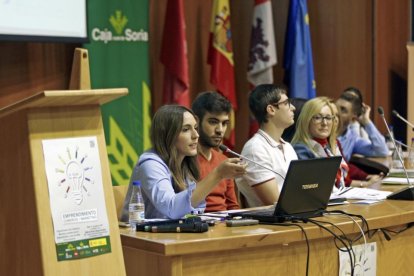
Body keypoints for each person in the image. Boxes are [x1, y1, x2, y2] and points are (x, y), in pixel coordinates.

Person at [121, 105, 246, 220]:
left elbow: (195, 209)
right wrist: (218, 174)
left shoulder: (184, 163)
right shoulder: (150, 164)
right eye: (186, 129)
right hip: (142, 239)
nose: (196, 135)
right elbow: (172, 208)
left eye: (195, 128)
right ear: (167, 134)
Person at [292, 97, 381, 188]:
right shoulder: (301, 149)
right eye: (318, 117)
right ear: (306, 121)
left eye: (328, 117)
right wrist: (362, 184)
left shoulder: (327, 147)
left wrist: (365, 181)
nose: (325, 123)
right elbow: (311, 187)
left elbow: (340, 181)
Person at [236, 84, 298, 207]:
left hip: (294, 216)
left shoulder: (288, 147)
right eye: (286, 103)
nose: (294, 108)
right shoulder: (255, 149)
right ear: (271, 109)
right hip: (269, 224)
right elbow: (275, 203)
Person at [191, 91, 240, 212]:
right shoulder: (183, 159)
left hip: (225, 225)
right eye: (213, 122)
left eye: (224, 123)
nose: (220, 130)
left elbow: (233, 207)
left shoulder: (223, 160)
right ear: (196, 122)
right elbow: (182, 205)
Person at [336, 89, 388, 161]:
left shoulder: (352, 138)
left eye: (343, 110)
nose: (336, 113)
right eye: (335, 108)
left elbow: (382, 151)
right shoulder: (323, 131)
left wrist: (366, 121)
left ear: (354, 115)